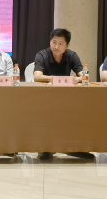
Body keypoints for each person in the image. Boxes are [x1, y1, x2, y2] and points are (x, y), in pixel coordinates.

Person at [34, 28, 93, 161]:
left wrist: (78, 79)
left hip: (66, 95)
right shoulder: (42, 55)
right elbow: (37, 77)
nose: (56, 46)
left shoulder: (72, 55)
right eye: (54, 42)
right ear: (50, 42)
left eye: (61, 43)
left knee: (81, 110)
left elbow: (84, 76)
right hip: (46, 95)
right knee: (47, 112)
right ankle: (46, 149)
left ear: (67, 45)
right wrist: (56, 79)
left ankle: (74, 147)